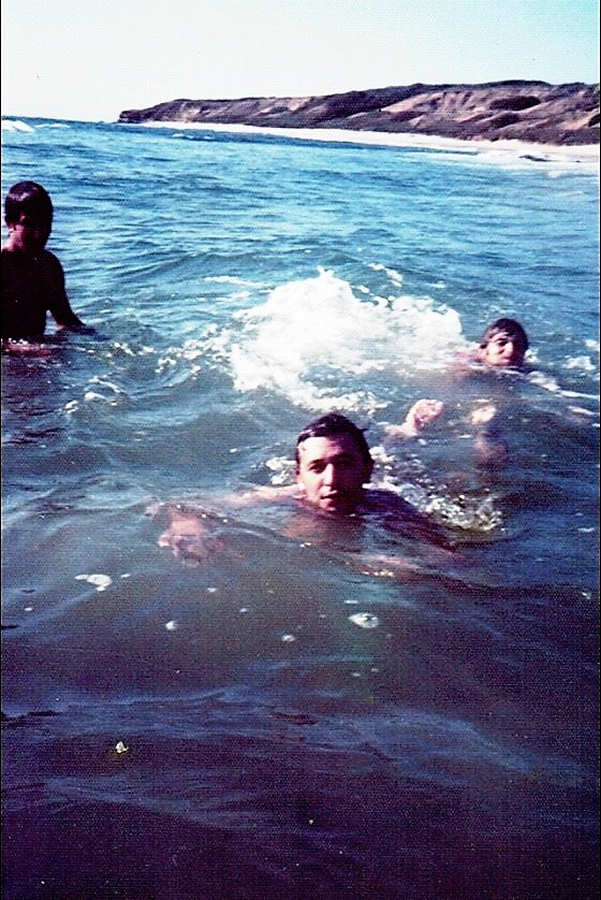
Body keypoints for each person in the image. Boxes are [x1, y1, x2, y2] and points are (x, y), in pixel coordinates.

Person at [152, 413, 456, 573]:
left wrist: (404, 567)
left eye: (344, 464)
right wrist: (185, 523)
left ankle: (407, 432)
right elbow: (181, 504)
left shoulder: (390, 506)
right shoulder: (282, 498)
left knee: (401, 463)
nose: (331, 479)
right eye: (317, 467)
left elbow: (451, 560)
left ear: (366, 471)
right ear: (299, 477)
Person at [1, 181, 93, 353]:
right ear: (10, 223)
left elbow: (65, 320)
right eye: (29, 224)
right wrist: (27, 350)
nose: (40, 233)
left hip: (38, 356)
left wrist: (103, 343)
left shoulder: (49, 266)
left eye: (45, 222)